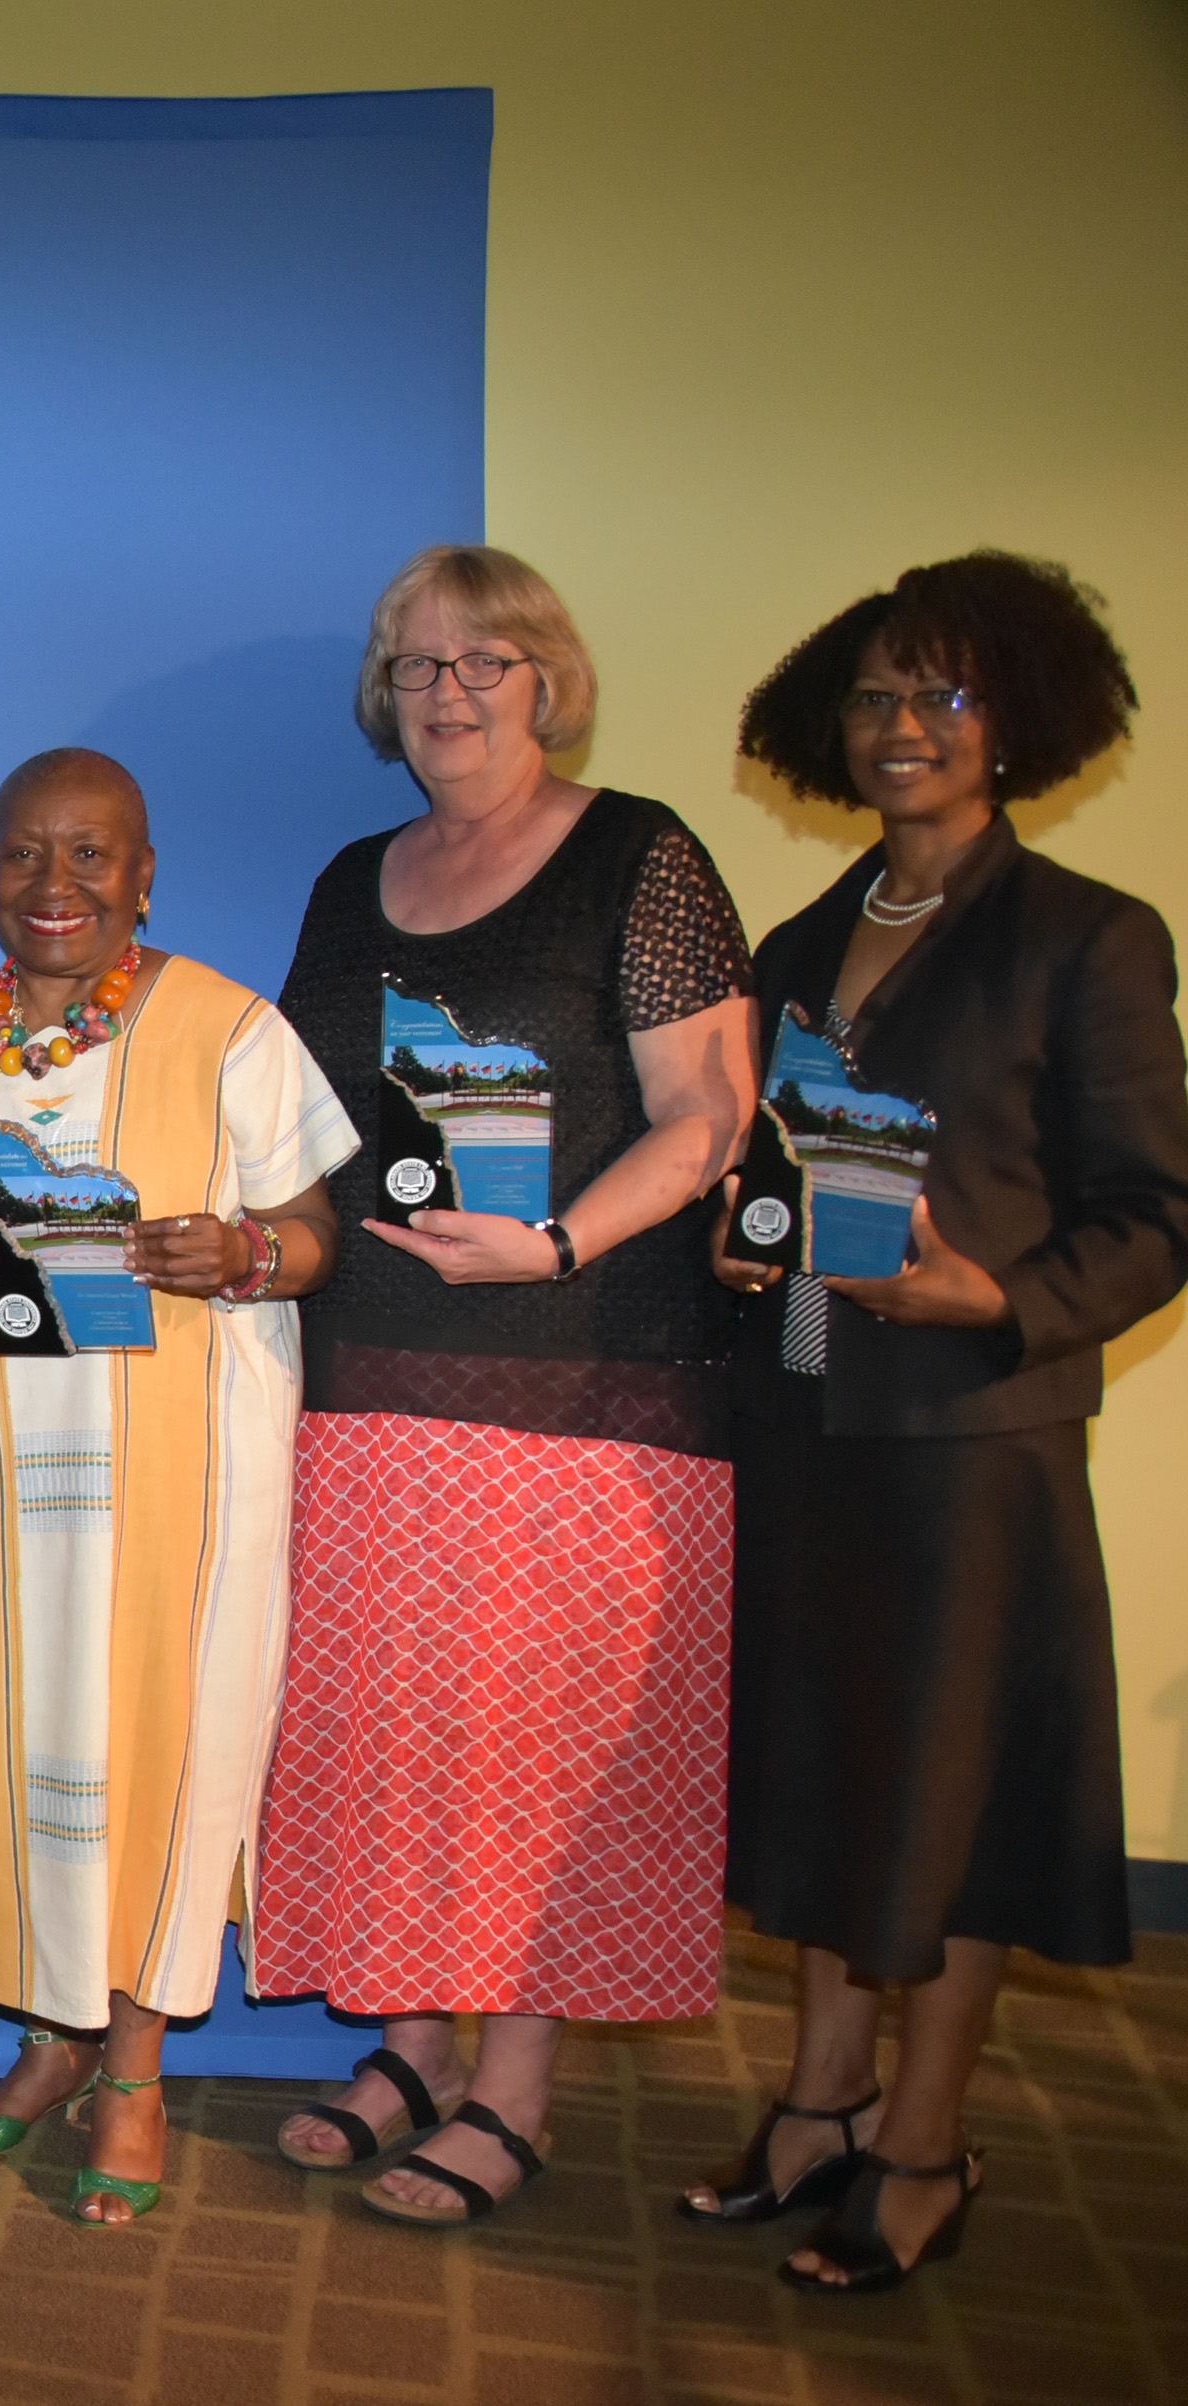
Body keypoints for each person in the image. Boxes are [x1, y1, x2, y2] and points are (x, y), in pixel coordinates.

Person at [681, 552, 1183, 2292]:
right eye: (880, 696)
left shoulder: (1090, 940)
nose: (905, 726)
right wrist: (748, 1256)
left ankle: (922, 2136)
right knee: (832, 1786)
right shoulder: (805, 941)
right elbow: (776, 1164)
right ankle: (816, 2106)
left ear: (1017, 720)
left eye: (944, 695)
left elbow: (1154, 1214)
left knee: (958, 1808)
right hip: (808, 1425)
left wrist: (1004, 1299)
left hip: (977, 1447)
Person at [253, 544, 759, 2228]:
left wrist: (554, 1242)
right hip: (367, 1382)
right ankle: (410, 2040)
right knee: (395, 1730)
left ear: (550, 681)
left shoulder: (642, 854)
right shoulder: (349, 878)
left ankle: (516, 2085)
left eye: (486, 662)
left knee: (531, 1747)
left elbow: (708, 1113)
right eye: (418, 665)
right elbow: (300, 1125)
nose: (450, 693)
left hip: (577, 1388)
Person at [0, 748, 352, 2225]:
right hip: (4, 1490)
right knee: (17, 1745)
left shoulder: (228, 1029)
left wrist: (250, 1255)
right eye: (23, 855)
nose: (53, 885)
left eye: (90, 856)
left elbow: (319, 1227)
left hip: (186, 1482)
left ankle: (132, 2064)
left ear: (145, 874)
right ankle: (54, 2036)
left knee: (161, 1743)